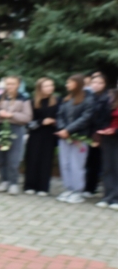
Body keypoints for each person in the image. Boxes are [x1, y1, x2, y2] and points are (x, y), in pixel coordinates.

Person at [55, 74, 93, 204]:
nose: (67, 85)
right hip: (65, 137)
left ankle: (78, 191)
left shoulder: (88, 99)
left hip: (79, 137)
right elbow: (59, 115)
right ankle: (69, 188)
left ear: (77, 84)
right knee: (65, 164)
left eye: (69, 82)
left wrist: (69, 130)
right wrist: (62, 129)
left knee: (77, 164)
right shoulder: (67, 99)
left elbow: (86, 118)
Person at [0, 76, 32, 195]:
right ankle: (4, 180)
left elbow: (27, 117)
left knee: (13, 157)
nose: (10, 86)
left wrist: (11, 115)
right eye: (8, 84)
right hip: (1, 129)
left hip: (16, 129)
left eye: (13, 84)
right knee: (1, 156)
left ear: (18, 85)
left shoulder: (24, 99)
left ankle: (13, 182)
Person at [23, 77, 60, 196]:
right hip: (35, 134)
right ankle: (30, 185)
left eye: (51, 85)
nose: (50, 88)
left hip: (49, 135)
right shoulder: (32, 102)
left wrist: (55, 121)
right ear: (40, 88)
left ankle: (43, 187)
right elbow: (28, 121)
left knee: (46, 160)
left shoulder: (57, 101)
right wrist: (41, 122)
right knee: (33, 159)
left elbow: (62, 116)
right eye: (47, 86)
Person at [84, 74, 111, 197]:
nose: (96, 85)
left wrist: (98, 133)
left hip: (100, 134)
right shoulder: (88, 97)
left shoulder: (107, 99)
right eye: (94, 82)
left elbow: (106, 119)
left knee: (96, 162)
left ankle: (91, 188)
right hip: (87, 133)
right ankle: (87, 187)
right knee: (88, 161)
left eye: (100, 83)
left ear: (104, 85)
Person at [95, 90, 118, 210]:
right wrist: (103, 129)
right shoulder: (111, 99)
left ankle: (116, 198)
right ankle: (107, 196)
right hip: (108, 138)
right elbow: (103, 117)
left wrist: (115, 130)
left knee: (116, 168)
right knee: (107, 168)